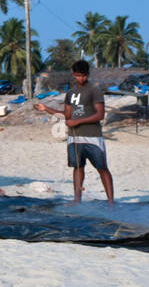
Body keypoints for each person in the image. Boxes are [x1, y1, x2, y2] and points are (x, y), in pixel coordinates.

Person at [35, 59, 114, 204]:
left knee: (102, 168)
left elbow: (100, 115)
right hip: (74, 137)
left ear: (88, 74)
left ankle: (110, 202)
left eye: (83, 75)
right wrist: (45, 109)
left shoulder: (94, 90)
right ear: (73, 75)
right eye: (78, 75)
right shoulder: (70, 93)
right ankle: (77, 199)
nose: (80, 78)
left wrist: (77, 121)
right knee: (77, 167)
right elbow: (67, 115)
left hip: (92, 136)